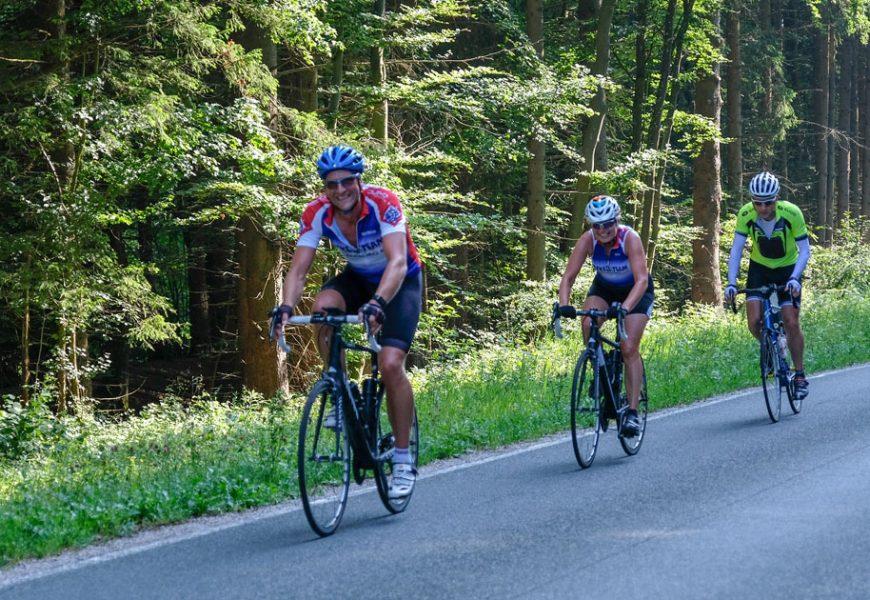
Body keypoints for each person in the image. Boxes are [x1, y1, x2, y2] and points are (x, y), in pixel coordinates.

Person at [273, 144, 423, 499]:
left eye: (346, 182)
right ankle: (338, 389)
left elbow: (398, 262)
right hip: (358, 278)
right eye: (331, 184)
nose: (339, 190)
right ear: (324, 187)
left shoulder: (383, 203)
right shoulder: (316, 213)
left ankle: (402, 459)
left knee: (389, 364)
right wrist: (285, 307)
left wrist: (377, 304)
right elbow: (299, 268)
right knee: (323, 307)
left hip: (399, 282)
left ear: (359, 181)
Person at [557, 195, 654, 437]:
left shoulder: (629, 238)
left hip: (636, 292)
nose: (602, 230)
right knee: (588, 322)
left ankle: (631, 413)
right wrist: (565, 305)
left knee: (628, 347)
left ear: (617, 221)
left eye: (608, 224)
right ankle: (600, 371)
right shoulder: (588, 240)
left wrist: (624, 307)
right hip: (604, 288)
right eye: (596, 225)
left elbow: (642, 279)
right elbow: (568, 277)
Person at [724, 171, 810, 399]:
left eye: (768, 202)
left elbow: (805, 251)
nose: (763, 208)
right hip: (759, 269)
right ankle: (771, 350)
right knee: (754, 323)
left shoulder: (792, 213)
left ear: (777, 198)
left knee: (791, 321)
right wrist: (731, 282)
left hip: (788, 269)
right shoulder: (746, 214)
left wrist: (795, 278)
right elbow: (736, 250)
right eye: (758, 203)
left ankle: (799, 374)